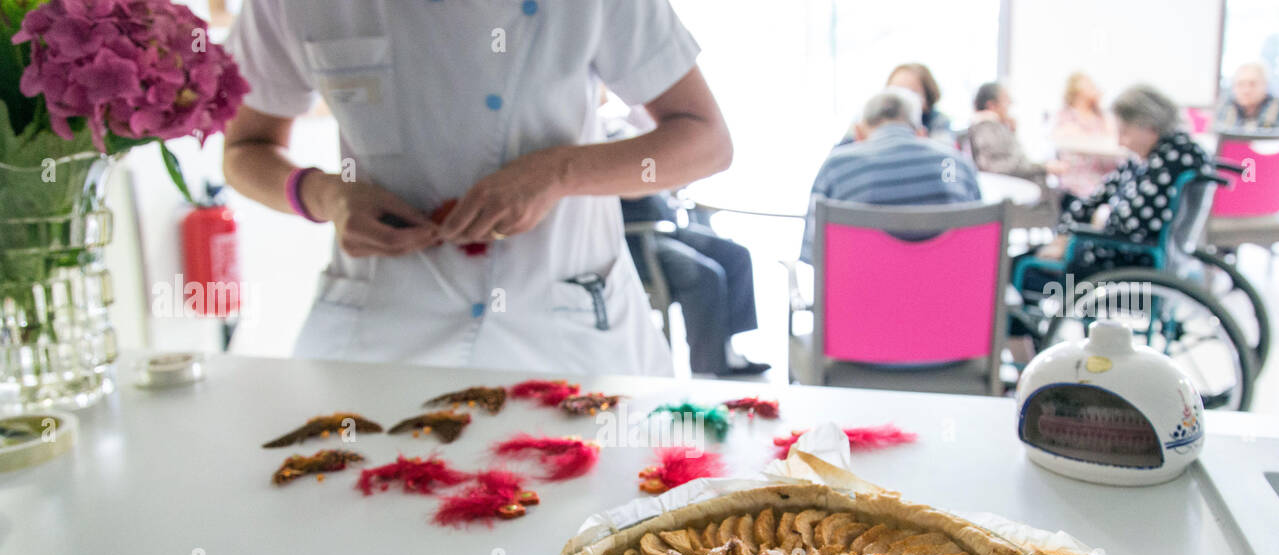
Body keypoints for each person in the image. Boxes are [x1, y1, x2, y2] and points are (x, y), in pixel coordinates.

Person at [221, 0, 733, 377]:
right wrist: (324, 196)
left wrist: (557, 173)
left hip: (562, 329)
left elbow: (706, 141)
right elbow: (245, 148)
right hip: (380, 328)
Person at [1022, 85, 1215, 283]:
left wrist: (1095, 222)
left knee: (1021, 270)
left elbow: (1129, 224)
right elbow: (1097, 197)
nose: (1121, 142)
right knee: (1027, 258)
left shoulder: (1175, 158)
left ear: (1148, 126)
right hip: (1119, 252)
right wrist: (1063, 236)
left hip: (1129, 264)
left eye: (1124, 132)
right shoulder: (1148, 157)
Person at [801, 88, 981, 262]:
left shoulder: (836, 168)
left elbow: (814, 253)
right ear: (920, 132)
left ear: (859, 133)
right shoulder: (957, 165)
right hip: (946, 290)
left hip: (860, 291)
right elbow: (977, 246)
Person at [622, 193, 768, 377]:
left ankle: (727, 348)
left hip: (670, 227)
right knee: (705, 274)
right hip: (640, 235)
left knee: (736, 255)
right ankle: (706, 368)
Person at [968, 82, 1068, 183]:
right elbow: (1000, 168)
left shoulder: (994, 128)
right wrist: (1045, 167)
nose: (1011, 103)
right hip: (1017, 190)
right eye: (1006, 100)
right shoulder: (987, 129)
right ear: (991, 105)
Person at [1051, 72, 1121, 199]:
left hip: (1104, 180)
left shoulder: (1103, 118)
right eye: (1089, 85)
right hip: (1077, 183)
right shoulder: (1066, 117)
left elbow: (1115, 144)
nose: (1095, 87)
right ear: (1077, 91)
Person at [886, 63, 955, 146]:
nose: (902, 99)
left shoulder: (938, 121)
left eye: (910, 92)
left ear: (927, 97)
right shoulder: (879, 123)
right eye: (895, 92)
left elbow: (944, 151)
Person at [1216, 62, 1279, 131]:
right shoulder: (1224, 107)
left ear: (1265, 85)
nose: (1246, 90)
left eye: (1252, 84)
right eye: (1240, 84)